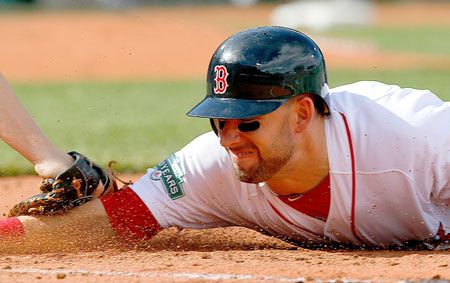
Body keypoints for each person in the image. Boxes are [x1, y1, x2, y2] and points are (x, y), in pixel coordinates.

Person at [0, 26, 449, 251]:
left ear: (302, 114)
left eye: (248, 120)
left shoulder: (414, 137)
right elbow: (111, 220)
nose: (229, 139)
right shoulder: (212, 171)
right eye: (219, 121)